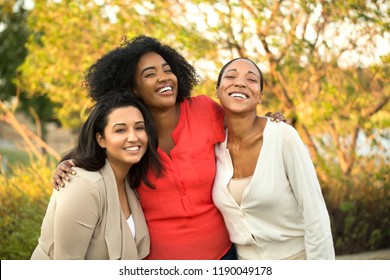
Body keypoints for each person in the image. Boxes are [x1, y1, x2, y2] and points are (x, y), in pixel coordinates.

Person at [52, 35, 285, 259]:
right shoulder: (133, 135)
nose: (164, 77)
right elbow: (100, 153)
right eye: (150, 74)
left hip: (223, 256)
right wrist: (69, 164)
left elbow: (243, 124)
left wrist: (269, 121)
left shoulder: (203, 110)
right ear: (133, 88)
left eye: (167, 70)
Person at [212, 58, 335, 260]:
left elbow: (315, 214)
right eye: (231, 76)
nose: (240, 83)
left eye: (251, 79)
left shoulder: (283, 136)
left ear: (260, 96)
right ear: (218, 90)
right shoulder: (214, 146)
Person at [31, 91, 162, 259]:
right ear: (101, 139)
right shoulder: (83, 185)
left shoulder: (131, 181)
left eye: (139, 128)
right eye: (120, 130)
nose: (133, 137)